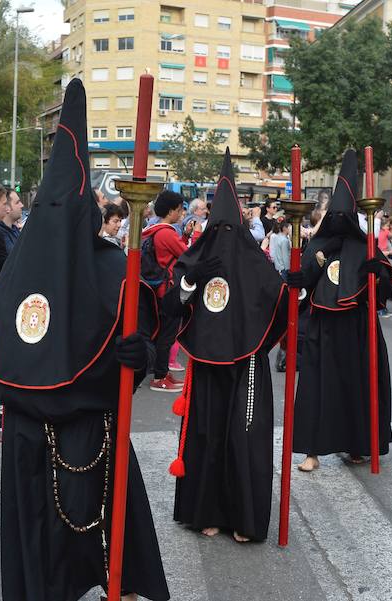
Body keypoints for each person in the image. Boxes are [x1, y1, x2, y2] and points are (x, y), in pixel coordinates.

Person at [0, 79, 168, 601]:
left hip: (89, 431)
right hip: (23, 432)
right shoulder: (17, 268)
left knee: (93, 541)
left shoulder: (115, 269)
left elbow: (146, 338)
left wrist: (141, 354)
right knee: (34, 548)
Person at [163, 149, 288, 543]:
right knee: (206, 437)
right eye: (219, 231)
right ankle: (206, 512)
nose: (225, 240)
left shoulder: (256, 262)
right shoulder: (196, 258)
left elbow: (279, 301)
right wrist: (190, 280)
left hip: (246, 364)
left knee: (243, 437)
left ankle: (243, 517)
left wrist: (299, 286)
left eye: (230, 231)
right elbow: (170, 306)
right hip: (204, 365)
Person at [291, 150, 392, 472]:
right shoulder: (318, 245)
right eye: (330, 217)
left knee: (356, 384)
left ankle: (357, 444)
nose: (335, 222)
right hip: (323, 327)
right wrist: (296, 277)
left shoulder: (366, 248)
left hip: (357, 328)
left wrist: (380, 272)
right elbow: (304, 281)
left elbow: (382, 291)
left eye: (340, 217)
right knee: (316, 388)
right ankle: (312, 451)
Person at [142, 191, 189, 393]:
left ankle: (160, 372)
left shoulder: (153, 230)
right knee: (167, 335)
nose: (181, 213)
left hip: (156, 290)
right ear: (171, 211)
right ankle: (160, 376)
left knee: (161, 333)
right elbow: (187, 256)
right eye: (179, 210)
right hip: (167, 290)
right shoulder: (167, 233)